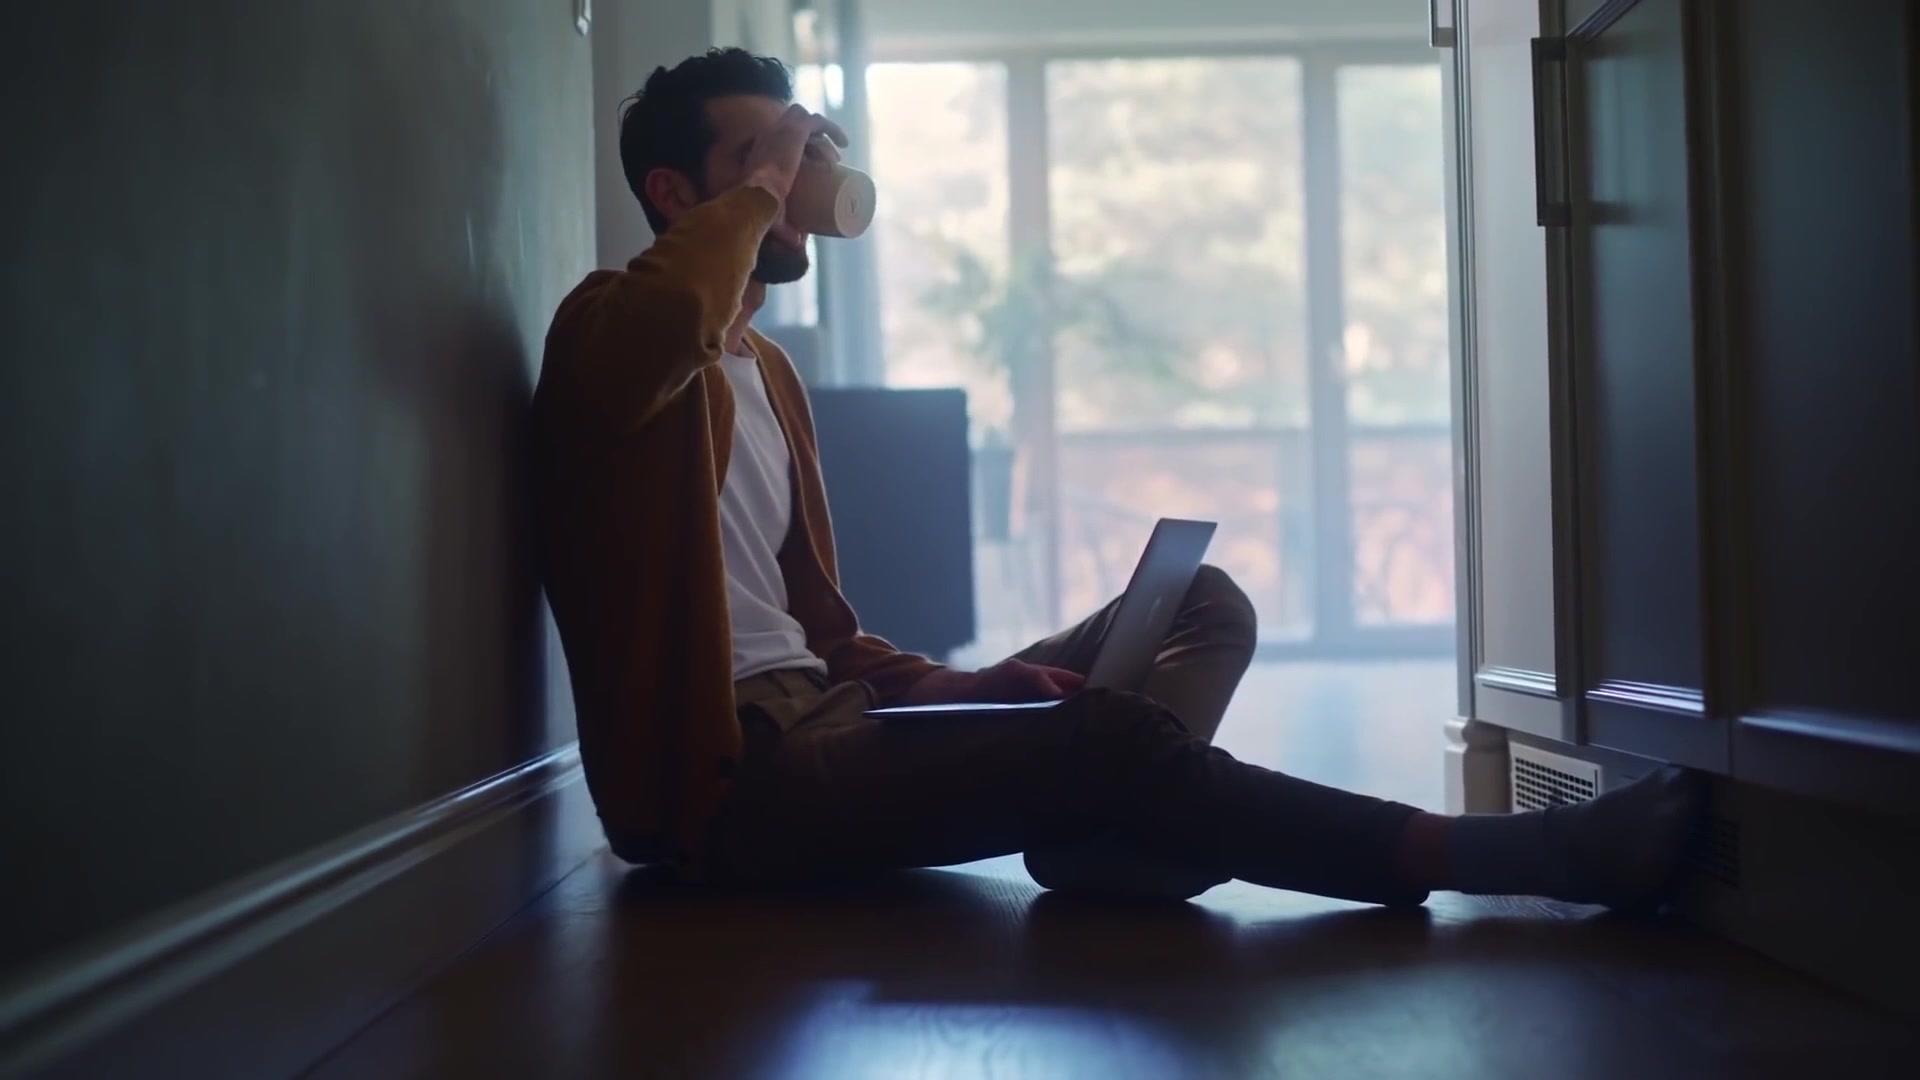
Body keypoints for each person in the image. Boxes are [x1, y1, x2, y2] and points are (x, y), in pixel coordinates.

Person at [531, 48, 1703, 909]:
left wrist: (967, 687)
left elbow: (821, 636)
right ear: (676, 196)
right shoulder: (605, 331)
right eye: (761, 162)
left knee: (1203, 601)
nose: (791, 183)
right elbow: (663, 330)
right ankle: (1512, 857)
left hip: (835, 716)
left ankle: (1109, 835)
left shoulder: (768, 369)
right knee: (1102, 742)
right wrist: (765, 185)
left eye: (794, 158)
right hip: (735, 784)